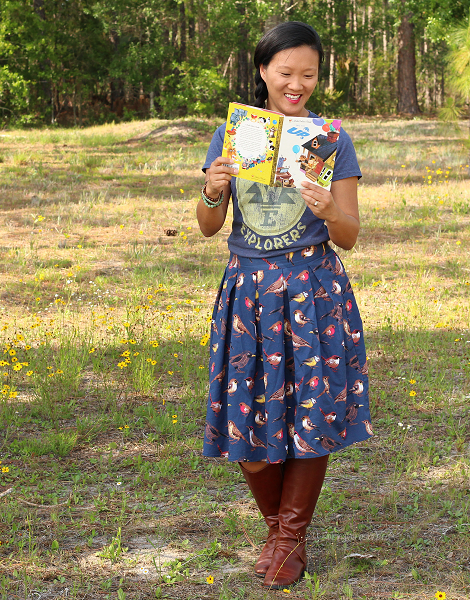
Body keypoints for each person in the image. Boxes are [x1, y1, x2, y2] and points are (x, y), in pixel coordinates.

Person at [197, 21, 372, 590]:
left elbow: (349, 234)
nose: (297, 84)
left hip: (312, 290)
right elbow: (208, 227)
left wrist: (328, 210)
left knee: (309, 413)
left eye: (309, 74)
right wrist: (212, 189)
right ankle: (279, 532)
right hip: (248, 293)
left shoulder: (330, 140)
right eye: (286, 72)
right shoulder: (234, 134)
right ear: (264, 71)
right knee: (247, 415)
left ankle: (290, 539)